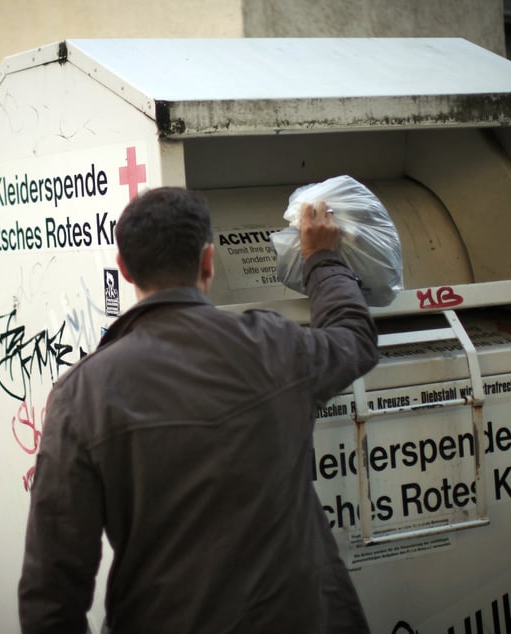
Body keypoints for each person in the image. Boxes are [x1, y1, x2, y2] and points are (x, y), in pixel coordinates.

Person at [19, 186, 377, 633]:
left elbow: (51, 591)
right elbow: (354, 340)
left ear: (125, 270)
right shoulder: (276, 347)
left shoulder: (80, 395)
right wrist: (321, 259)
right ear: (208, 261)